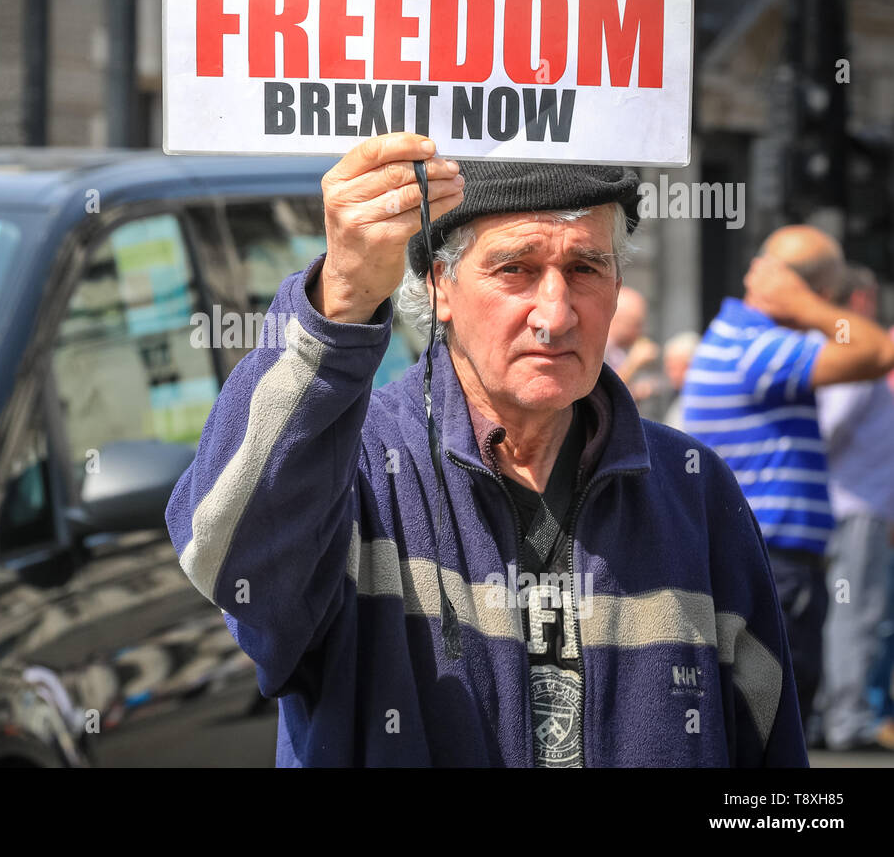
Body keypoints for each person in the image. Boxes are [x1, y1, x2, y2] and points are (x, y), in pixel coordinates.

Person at [166, 133, 808, 766]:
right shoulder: (355, 472)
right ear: (440, 288)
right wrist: (340, 300)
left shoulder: (693, 491)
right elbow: (225, 559)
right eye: (515, 269)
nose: (554, 314)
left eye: (585, 268)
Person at [684, 227, 894, 732]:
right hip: (773, 558)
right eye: (830, 296)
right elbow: (876, 349)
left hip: (762, 554)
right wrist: (810, 309)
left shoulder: (741, 340)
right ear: (814, 292)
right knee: (772, 727)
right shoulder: (759, 349)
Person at [814, 265, 894, 751]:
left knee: (852, 611)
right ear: (860, 302)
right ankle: (848, 717)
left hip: (860, 504)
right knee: (853, 613)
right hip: (855, 506)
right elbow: (830, 428)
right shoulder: (856, 355)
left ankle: (838, 714)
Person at [605, 286, 663, 419]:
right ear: (617, 319)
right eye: (636, 324)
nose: (641, 330)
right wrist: (634, 362)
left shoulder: (622, 351)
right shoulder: (597, 348)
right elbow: (606, 390)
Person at [659, 330, 701, 431]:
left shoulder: (698, 402)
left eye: (673, 368)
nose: (669, 374)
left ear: (690, 366)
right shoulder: (680, 396)